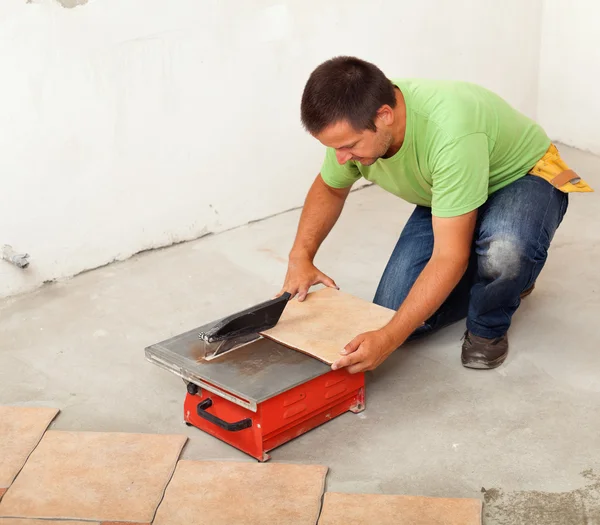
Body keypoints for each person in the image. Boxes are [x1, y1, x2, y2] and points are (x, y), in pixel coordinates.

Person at [278, 56, 592, 374]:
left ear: (384, 115)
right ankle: (491, 263)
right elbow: (330, 188)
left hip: (520, 177)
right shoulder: (352, 130)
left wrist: (388, 339)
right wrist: (300, 256)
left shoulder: (450, 131)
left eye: (349, 146)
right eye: (335, 148)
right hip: (448, 191)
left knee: (503, 253)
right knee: (393, 316)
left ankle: (490, 321)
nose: (341, 158)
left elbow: (448, 258)